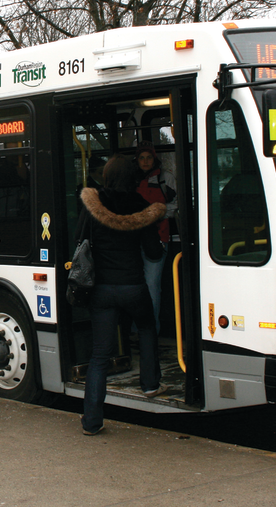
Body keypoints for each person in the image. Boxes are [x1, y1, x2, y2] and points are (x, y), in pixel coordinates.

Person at [80, 154, 166, 435]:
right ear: (133, 179)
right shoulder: (141, 207)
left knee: (100, 355)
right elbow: (153, 254)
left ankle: (92, 421)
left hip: (101, 290)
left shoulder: (92, 205)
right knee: (146, 328)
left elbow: (80, 242)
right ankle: (151, 384)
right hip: (133, 287)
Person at [133, 141, 176, 334]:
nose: (145, 161)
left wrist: (151, 215)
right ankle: (136, 329)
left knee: (151, 285)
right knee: (136, 285)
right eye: (141, 158)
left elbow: (175, 207)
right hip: (134, 239)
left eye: (148, 157)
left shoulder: (166, 179)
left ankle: (151, 331)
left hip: (158, 237)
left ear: (154, 158)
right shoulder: (132, 179)